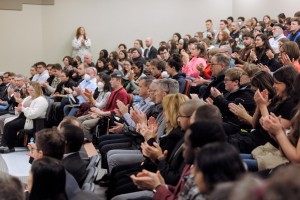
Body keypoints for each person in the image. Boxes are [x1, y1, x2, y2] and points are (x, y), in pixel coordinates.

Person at [0, 82, 48, 153]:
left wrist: (23, 109)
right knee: (7, 124)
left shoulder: (41, 100)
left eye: (32, 90)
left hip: (33, 120)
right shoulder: (28, 98)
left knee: (11, 126)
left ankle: (9, 146)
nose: (30, 92)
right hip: (24, 117)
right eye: (29, 90)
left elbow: (33, 114)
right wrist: (18, 109)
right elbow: (22, 108)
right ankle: (4, 144)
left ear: (37, 90)